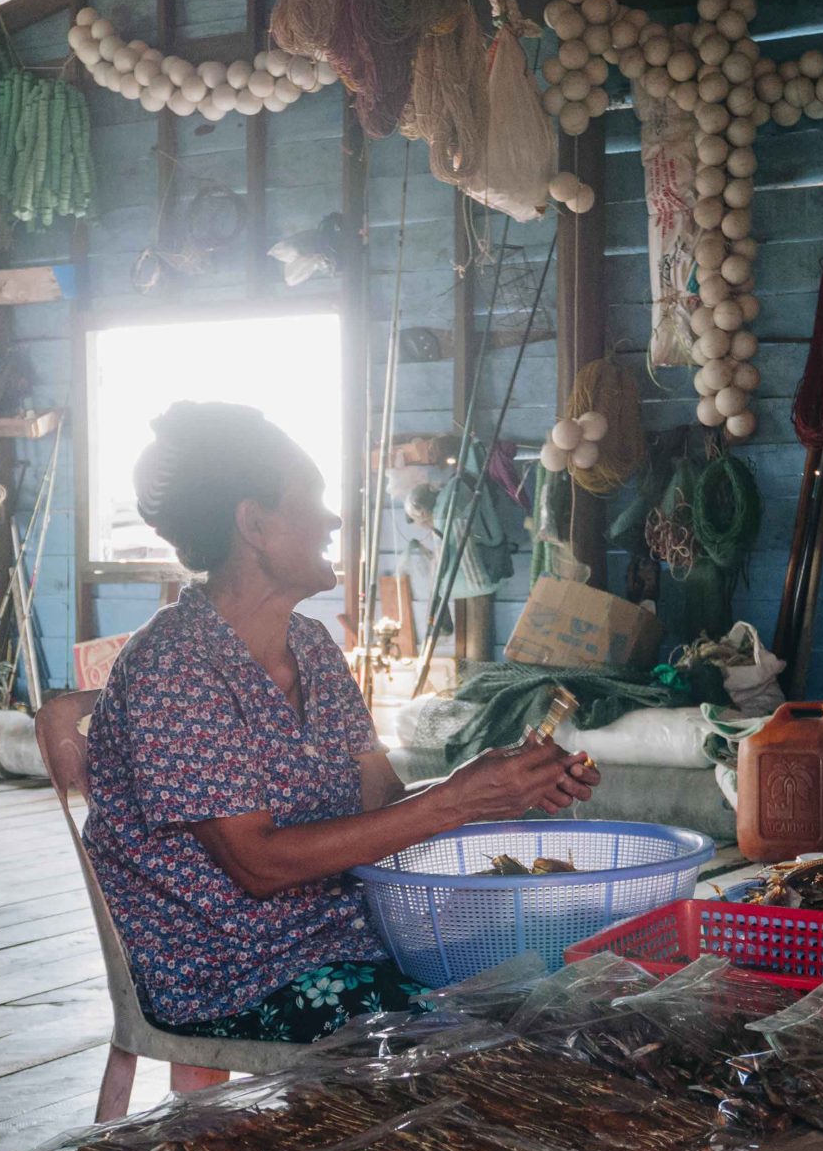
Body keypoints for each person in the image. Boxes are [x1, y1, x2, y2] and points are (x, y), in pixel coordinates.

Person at [83, 401, 599, 1043]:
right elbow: (257, 866)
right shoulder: (175, 666)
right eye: (315, 497)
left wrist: (498, 792)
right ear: (255, 524)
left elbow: (382, 807)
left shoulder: (312, 647)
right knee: (503, 1042)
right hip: (237, 976)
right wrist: (456, 801)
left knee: (582, 982)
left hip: (349, 939)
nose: (333, 518)